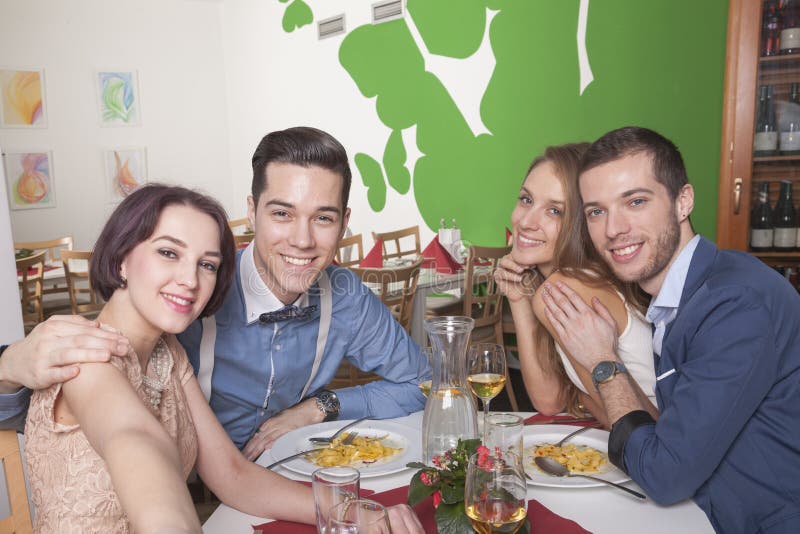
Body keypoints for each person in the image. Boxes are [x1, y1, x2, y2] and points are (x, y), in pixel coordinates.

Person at [0, 126, 428, 463]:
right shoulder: (192, 291)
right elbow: (53, 409)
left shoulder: (344, 294)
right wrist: (8, 365)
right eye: (282, 213)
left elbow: (424, 383)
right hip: (186, 486)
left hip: (279, 472)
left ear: (344, 222)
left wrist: (320, 406)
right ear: (252, 210)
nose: (302, 240)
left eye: (323, 218)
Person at [22, 184, 423, 533]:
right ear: (122, 258)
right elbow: (133, 439)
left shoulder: (169, 354)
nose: (191, 279)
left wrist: (355, 512)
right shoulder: (85, 354)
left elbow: (233, 477)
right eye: (168, 252)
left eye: (207, 264)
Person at [540, 126, 800, 533]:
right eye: (596, 211)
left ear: (683, 201)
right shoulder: (684, 293)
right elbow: (668, 439)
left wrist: (602, 361)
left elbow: (665, 475)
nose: (613, 229)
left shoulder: (735, 304)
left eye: (636, 201)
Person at [494, 143, 656, 428]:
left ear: (582, 223)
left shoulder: (566, 287)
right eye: (526, 200)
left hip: (655, 452)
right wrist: (519, 300)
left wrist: (585, 398)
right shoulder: (571, 281)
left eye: (555, 211)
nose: (526, 221)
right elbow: (550, 401)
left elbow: (632, 426)